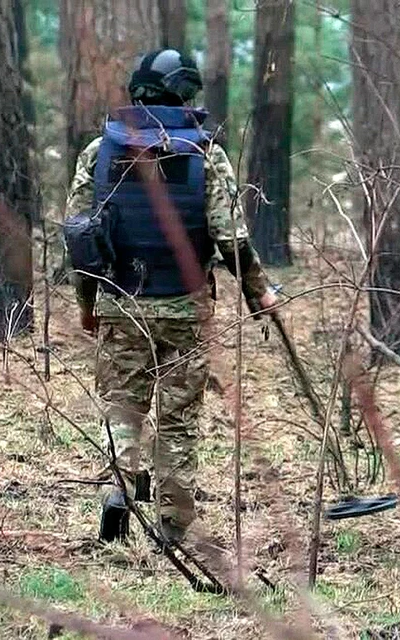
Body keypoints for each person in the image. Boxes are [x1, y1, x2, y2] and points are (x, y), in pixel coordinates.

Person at [65, 48, 279, 544]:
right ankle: (175, 526)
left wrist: (86, 303)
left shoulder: (99, 153)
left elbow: (79, 237)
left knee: (123, 409)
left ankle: (118, 494)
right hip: (185, 307)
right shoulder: (206, 154)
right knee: (178, 421)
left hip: (121, 302)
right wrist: (259, 293)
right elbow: (231, 239)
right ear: (185, 94)